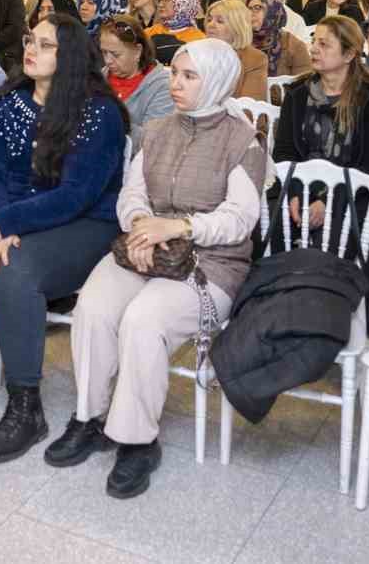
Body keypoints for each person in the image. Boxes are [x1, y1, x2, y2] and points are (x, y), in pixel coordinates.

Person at [53, 39, 267, 496]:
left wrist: (179, 227)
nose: (176, 84)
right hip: (145, 248)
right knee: (92, 307)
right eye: (175, 74)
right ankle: (89, 417)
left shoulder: (242, 141)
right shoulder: (157, 130)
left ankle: (137, 440)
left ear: (217, 82)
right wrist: (140, 226)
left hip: (211, 263)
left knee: (143, 319)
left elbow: (239, 219)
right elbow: (131, 194)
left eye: (190, 77)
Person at [0, 14, 128, 460]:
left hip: (83, 223)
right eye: (31, 39)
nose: (31, 49)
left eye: (46, 45)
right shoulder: (5, 103)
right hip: (5, 216)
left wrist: (6, 225)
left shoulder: (99, 113)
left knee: (13, 273)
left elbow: (77, 195)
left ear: (70, 56)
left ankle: (26, 406)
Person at [274, 17, 369, 231]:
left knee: (333, 238)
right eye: (314, 41)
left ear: (349, 54)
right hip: (301, 188)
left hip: (353, 193)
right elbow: (284, 153)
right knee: (271, 229)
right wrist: (295, 194)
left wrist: (327, 202)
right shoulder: (297, 94)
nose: (313, 49)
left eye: (324, 44)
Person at [98, 15, 173, 151]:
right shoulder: (99, 78)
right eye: (104, 52)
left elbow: (153, 142)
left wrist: (111, 119)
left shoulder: (162, 87)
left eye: (115, 54)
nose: (108, 61)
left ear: (138, 51)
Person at [203, 0, 267, 101]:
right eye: (209, 20)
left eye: (220, 21)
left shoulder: (255, 59)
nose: (211, 25)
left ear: (237, 27)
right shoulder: (195, 51)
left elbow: (250, 105)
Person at [246, 0, 310, 79]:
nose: (251, 13)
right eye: (249, 9)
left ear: (273, 11)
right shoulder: (241, 41)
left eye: (257, 8)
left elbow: (303, 81)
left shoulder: (294, 45)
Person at [145, 0, 205, 64]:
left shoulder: (199, 39)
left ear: (183, 2)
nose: (160, 4)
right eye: (159, 0)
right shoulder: (149, 32)